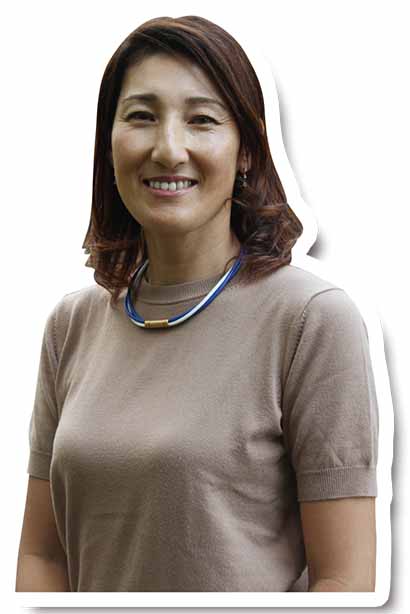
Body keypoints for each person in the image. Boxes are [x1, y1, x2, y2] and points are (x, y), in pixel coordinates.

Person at [15, 15, 378, 592]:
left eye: (202, 120)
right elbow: (43, 557)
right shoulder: (71, 325)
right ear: (109, 142)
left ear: (246, 151)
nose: (168, 149)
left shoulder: (312, 320)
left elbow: (345, 582)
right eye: (141, 116)